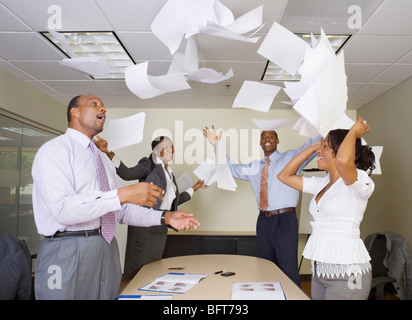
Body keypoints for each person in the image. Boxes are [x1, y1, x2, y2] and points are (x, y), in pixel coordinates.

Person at [31, 94, 200, 300]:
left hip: (107, 245)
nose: (102, 109)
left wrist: (165, 217)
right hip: (68, 246)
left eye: (103, 106)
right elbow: (63, 209)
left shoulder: (101, 158)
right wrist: (122, 194)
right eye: (94, 104)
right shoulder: (55, 151)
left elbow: (121, 209)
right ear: (74, 112)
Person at [203, 125, 321, 287]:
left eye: (271, 136)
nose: (267, 139)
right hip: (264, 221)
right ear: (260, 142)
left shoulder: (291, 157)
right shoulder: (254, 167)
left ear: (277, 140)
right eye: (264, 137)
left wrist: (323, 120)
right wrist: (216, 145)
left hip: (285, 220)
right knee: (264, 267)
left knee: (288, 267)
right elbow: (230, 168)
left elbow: (312, 146)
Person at [277, 118, 375, 300]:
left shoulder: (359, 180)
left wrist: (353, 132)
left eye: (325, 147)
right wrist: (314, 147)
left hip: (348, 272)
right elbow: (284, 176)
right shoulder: (322, 184)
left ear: (339, 151)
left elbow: (344, 161)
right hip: (320, 270)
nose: (319, 152)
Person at [95, 135, 206, 280]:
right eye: (165, 147)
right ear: (155, 150)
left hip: (160, 225)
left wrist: (195, 187)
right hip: (144, 226)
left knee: (153, 270)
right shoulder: (148, 164)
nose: (170, 150)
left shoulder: (170, 174)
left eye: (171, 147)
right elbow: (128, 174)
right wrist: (109, 153)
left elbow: (175, 201)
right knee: (138, 270)